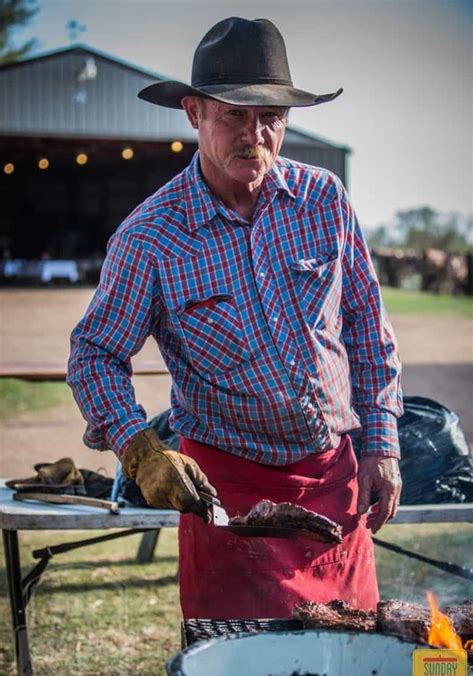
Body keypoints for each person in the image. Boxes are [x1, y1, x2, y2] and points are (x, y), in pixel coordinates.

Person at [67, 17, 403, 619]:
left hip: (333, 478)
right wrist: (140, 449)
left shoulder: (324, 200)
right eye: (234, 115)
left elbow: (368, 331)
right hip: (225, 494)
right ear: (193, 114)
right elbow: (95, 353)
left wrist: (382, 446)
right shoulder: (152, 236)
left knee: (353, 670)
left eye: (271, 116)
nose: (256, 134)